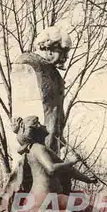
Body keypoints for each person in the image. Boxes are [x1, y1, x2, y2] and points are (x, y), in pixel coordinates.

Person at [11, 26, 72, 155]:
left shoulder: (54, 72)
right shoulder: (28, 63)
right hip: (36, 143)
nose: (65, 57)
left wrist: (60, 136)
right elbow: (27, 108)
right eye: (62, 51)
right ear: (48, 48)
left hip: (52, 140)